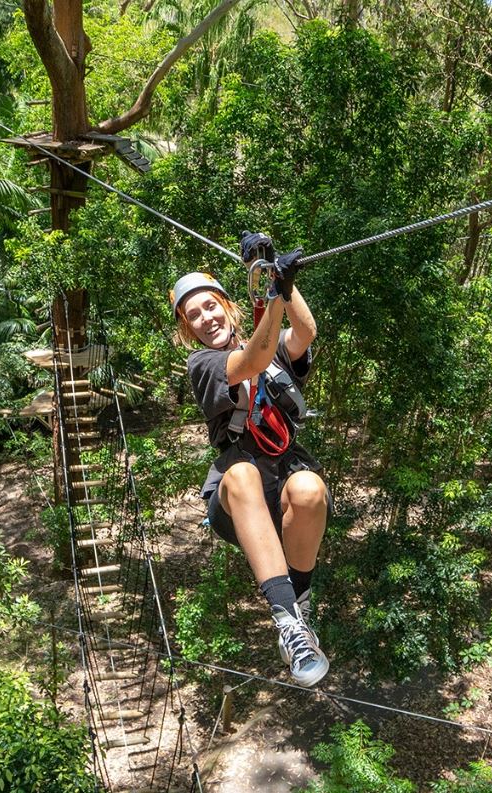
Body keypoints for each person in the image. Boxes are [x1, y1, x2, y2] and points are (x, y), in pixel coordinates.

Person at [170, 231, 331, 687]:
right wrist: (273, 291)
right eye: (194, 315)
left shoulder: (275, 345)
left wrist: (282, 277)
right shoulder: (202, 364)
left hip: (284, 469)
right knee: (240, 474)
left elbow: (304, 332)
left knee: (310, 487)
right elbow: (252, 359)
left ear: (229, 306)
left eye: (211, 306)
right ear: (188, 329)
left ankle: (298, 602)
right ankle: (285, 621)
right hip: (238, 489)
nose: (206, 318)